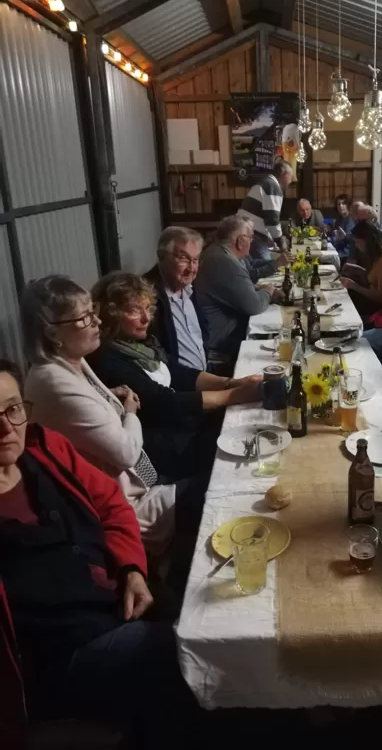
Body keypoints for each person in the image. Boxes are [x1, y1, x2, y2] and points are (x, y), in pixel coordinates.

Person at [0, 360, 202, 749]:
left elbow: (112, 504)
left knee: (203, 615)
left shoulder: (46, 448)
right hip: (57, 654)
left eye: (13, 409)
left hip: (114, 600)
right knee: (181, 654)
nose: (7, 428)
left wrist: (132, 569)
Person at [22, 276, 176, 557]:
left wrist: (107, 396)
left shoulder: (72, 359)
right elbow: (127, 453)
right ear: (52, 332)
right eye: (84, 318)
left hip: (138, 484)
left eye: (93, 312)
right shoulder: (52, 382)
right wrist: (130, 412)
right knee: (211, 491)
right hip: (123, 510)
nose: (98, 322)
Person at [88, 272, 261, 480]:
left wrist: (232, 382)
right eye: (134, 311)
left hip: (182, 429)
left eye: (147, 308)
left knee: (252, 427)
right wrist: (235, 395)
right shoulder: (107, 359)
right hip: (165, 451)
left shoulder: (140, 343)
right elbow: (164, 401)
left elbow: (180, 374)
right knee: (247, 453)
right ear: (111, 314)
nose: (146, 318)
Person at [195, 215, 282, 370]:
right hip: (222, 342)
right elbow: (254, 305)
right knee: (279, 347)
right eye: (250, 238)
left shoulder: (217, 252)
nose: (251, 242)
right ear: (241, 241)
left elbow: (239, 287)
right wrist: (269, 291)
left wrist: (259, 289)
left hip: (221, 333)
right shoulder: (225, 261)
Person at [144, 226, 208, 371]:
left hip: (202, 375)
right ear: (161, 256)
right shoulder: (146, 296)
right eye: (183, 258)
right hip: (176, 382)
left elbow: (202, 334)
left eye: (195, 260)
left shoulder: (190, 288)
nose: (191, 268)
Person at [340, 220, 382, 321]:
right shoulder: (377, 256)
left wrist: (354, 286)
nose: (356, 245)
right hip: (371, 300)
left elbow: (381, 298)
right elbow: (374, 279)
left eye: (357, 242)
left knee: (345, 300)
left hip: (377, 306)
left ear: (365, 241)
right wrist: (357, 270)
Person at [240, 160, 293, 244]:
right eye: (290, 176)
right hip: (252, 235)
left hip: (244, 231)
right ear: (282, 173)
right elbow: (272, 220)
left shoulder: (266, 182)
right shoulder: (273, 187)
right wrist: (280, 241)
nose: (290, 181)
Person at [331, 193, 355, 261]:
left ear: (348, 205)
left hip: (346, 254)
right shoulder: (339, 218)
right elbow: (335, 235)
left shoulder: (351, 219)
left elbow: (353, 239)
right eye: (338, 204)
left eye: (343, 203)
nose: (340, 206)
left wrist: (344, 236)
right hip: (337, 250)